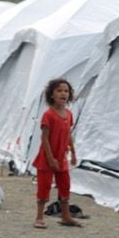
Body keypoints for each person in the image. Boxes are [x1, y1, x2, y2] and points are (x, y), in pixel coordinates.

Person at [32, 78, 80, 228]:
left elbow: (68, 134)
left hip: (61, 157)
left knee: (65, 186)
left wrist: (72, 153)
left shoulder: (69, 114)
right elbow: (44, 138)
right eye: (59, 91)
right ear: (52, 95)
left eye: (66, 91)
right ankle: (39, 217)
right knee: (44, 187)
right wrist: (50, 158)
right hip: (47, 158)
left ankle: (66, 216)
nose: (63, 94)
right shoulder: (49, 115)